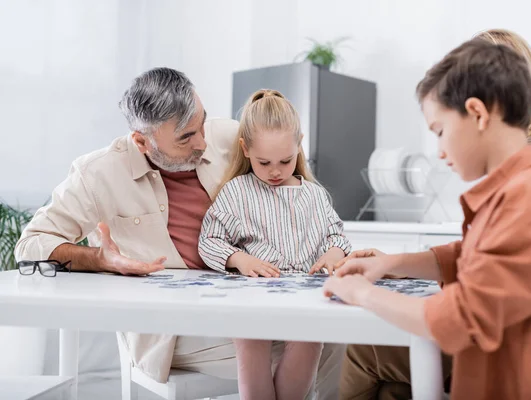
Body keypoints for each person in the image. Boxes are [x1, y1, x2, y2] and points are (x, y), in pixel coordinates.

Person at [14, 68, 345, 398]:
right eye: (186, 137)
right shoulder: (98, 173)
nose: (203, 142)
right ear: (143, 142)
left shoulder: (233, 137)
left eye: (202, 123)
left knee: (329, 330)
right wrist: (100, 259)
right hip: (174, 329)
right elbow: (31, 244)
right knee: (308, 337)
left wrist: (329, 248)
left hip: (254, 297)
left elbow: (300, 191)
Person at [325, 39, 531, 399]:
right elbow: (478, 255)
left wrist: (363, 294)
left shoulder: (529, 195)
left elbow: (460, 317)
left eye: (439, 131)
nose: (438, 151)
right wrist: (391, 265)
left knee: (368, 349)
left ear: (478, 114)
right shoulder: (519, 187)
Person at [199, 89, 352, 400]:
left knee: (311, 337)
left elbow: (337, 235)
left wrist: (333, 253)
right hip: (252, 297)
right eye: (263, 161)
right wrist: (239, 259)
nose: (275, 171)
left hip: (305, 297)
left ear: (299, 146)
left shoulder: (313, 194)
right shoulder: (237, 191)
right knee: (250, 340)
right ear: (245, 149)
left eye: (285, 160)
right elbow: (210, 240)